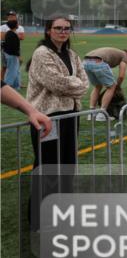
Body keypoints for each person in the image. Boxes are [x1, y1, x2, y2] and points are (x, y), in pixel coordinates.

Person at [26, 16, 88, 168]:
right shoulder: (42, 53)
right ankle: (44, 193)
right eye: (58, 28)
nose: (63, 31)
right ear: (48, 31)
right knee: (49, 161)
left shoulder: (72, 54)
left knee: (68, 159)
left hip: (71, 114)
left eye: (67, 28)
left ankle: (65, 192)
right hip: (48, 117)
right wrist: (75, 83)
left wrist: (72, 84)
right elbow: (57, 84)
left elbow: (85, 84)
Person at [83, 47, 127, 119]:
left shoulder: (114, 53)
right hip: (98, 61)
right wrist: (117, 87)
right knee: (111, 87)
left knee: (97, 86)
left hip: (85, 62)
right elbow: (121, 76)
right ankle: (102, 114)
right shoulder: (124, 55)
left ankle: (91, 113)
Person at [1, 11, 25, 90]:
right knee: (12, 71)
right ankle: (7, 87)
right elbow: (14, 47)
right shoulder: (13, 35)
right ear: (15, 26)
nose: (18, 24)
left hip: (9, 53)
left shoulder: (9, 33)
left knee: (16, 70)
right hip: (12, 55)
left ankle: (16, 86)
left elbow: (4, 43)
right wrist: (18, 56)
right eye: (17, 24)